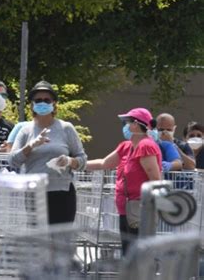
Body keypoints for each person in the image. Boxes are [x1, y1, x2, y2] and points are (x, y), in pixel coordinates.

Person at [9, 80, 87, 224]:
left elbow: (82, 159)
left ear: (54, 103)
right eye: (38, 100)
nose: (42, 103)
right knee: (38, 242)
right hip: (35, 193)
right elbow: (13, 160)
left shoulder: (66, 128)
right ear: (32, 104)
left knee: (60, 241)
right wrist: (30, 146)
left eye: (47, 100)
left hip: (62, 192)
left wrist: (69, 161)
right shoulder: (25, 131)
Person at [86, 107, 162, 254]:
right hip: (127, 209)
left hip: (140, 210)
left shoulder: (145, 146)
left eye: (126, 122)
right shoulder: (126, 146)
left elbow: (155, 179)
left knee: (138, 256)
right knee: (128, 255)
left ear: (135, 124)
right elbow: (103, 163)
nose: (125, 126)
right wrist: (74, 163)